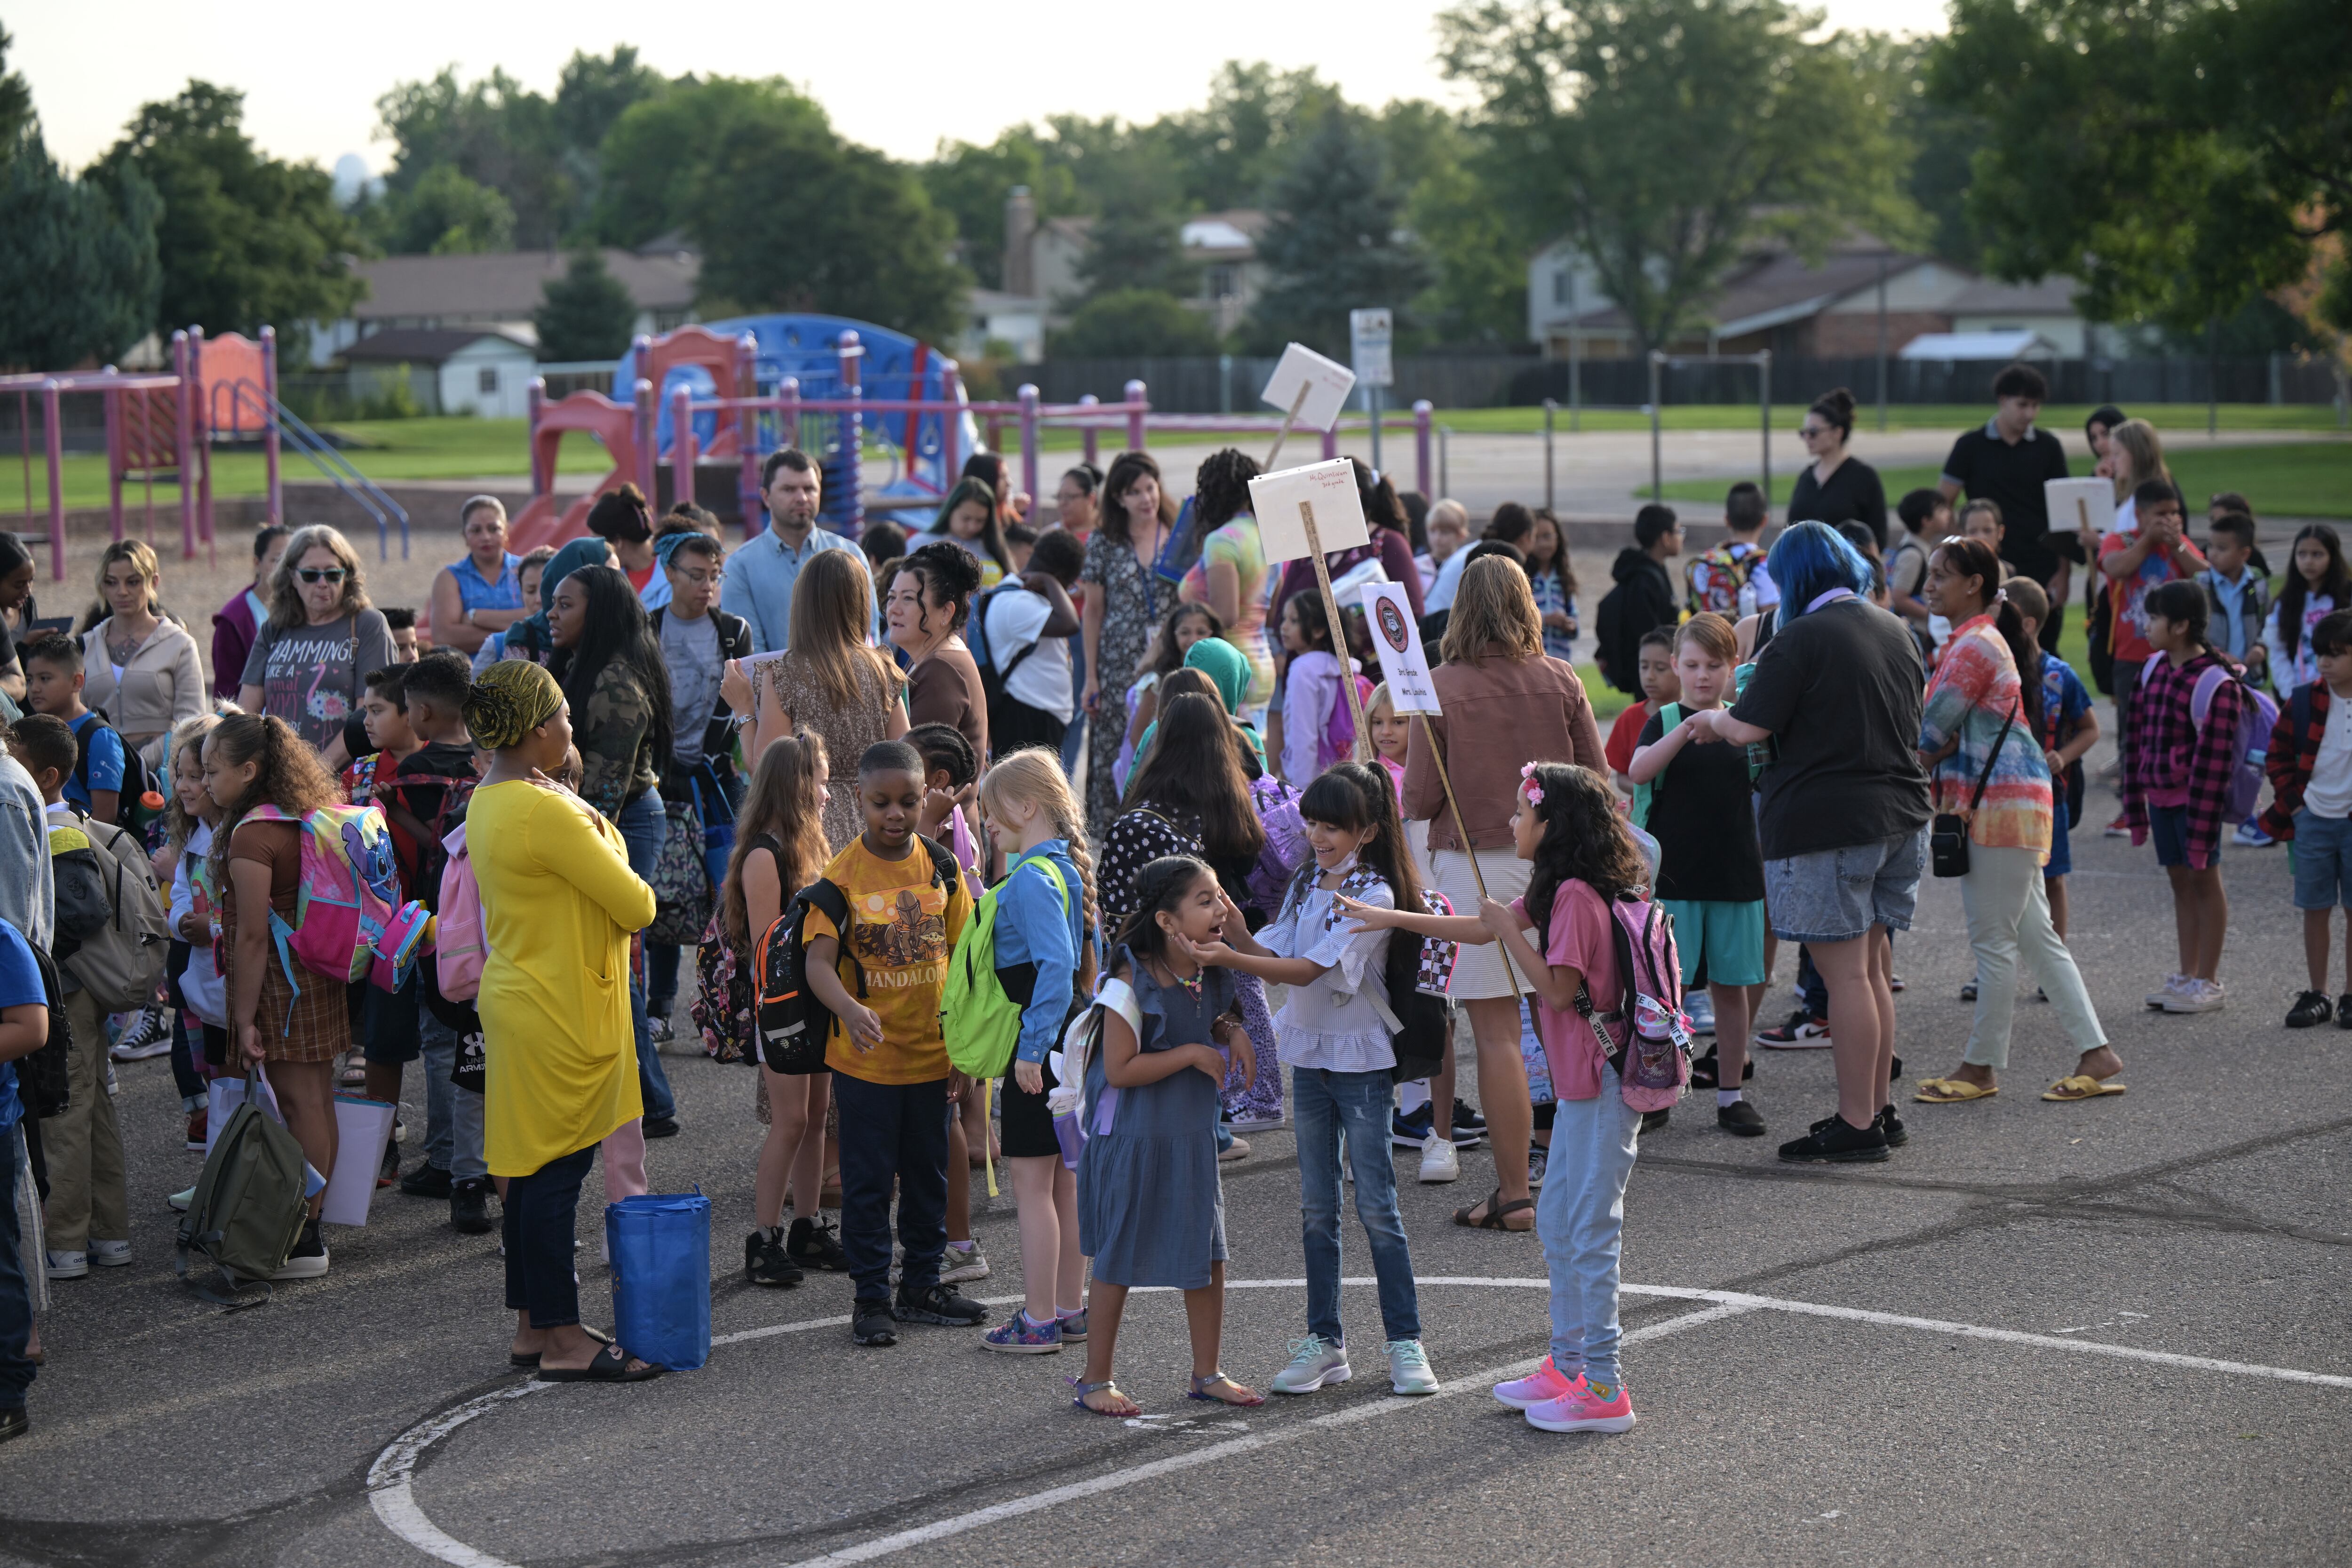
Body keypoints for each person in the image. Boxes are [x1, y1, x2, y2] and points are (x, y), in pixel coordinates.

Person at [1346, 763, 1652, 1433]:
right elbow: (1482, 929)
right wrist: (1387, 917)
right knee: (1558, 1222)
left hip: (1602, 1083)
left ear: (1552, 823)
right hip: (1580, 1086)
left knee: (1592, 1230)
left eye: (1522, 811)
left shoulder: (1573, 896)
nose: (1512, 822)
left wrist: (1510, 931)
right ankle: (1568, 1364)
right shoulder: (1557, 887)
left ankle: (1604, 1384)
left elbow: (1559, 991)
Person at [1685, 521, 1930, 1164]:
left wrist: (1709, 719)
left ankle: (1857, 1123)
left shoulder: (1801, 637)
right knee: (1872, 967)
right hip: (1900, 815)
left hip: (1831, 824)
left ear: (1794, 577)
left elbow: (1747, 725)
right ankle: (1876, 1109)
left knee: (1846, 974)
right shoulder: (1892, 627)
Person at [1193, 763, 1438, 1398]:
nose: (1319, 834)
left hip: (1360, 1064)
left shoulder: (1376, 895)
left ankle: (1406, 1342)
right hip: (1314, 1057)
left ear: (1369, 830)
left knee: (1377, 1205)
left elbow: (1305, 971)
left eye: (1335, 825)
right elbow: (1275, 953)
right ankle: (1326, 1342)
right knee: (1315, 1209)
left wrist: (1226, 954)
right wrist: (1232, 923)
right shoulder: (1305, 880)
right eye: (1313, 822)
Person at [458, 661, 664, 1381]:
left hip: (523, 996)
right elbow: (638, 904)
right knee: (554, 1174)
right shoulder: (543, 810)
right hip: (560, 1007)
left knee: (524, 1167)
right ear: (538, 729)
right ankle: (565, 1340)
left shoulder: (492, 798)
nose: (573, 729)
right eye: (565, 718)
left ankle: (531, 1326)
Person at [1402, 555, 1608, 1226]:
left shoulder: (1440, 685)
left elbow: (1421, 796)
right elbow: (1597, 780)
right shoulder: (1560, 678)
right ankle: (1584, 1169)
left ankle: (1514, 1190)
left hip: (1477, 870)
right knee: (1569, 1020)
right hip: (1562, 864)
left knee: (1498, 1036)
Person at [1907, 538, 2117, 1105]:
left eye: (1939, 576)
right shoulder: (1971, 641)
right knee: (2035, 939)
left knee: (1993, 942)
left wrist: (1922, 754)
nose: (1927, 586)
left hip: (2000, 808)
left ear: (1973, 584)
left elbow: (1928, 729)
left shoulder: (1974, 645)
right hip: (2009, 802)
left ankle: (1979, 1068)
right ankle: (2096, 1055)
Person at [800, 739, 984, 1347]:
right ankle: (872, 1296)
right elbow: (818, 964)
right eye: (881, 803)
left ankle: (923, 1285)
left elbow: (963, 961)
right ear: (860, 799)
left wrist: (963, 1048)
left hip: (932, 1062)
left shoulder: (941, 868)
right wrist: (850, 1010)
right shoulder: (841, 878)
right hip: (867, 1067)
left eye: (908, 801)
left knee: (928, 1179)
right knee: (870, 1183)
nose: (896, 814)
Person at [1070, 855, 1263, 1416]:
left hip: (1190, 1137)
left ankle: (1208, 1372)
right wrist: (1192, 1054)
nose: (1220, 908)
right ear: (1165, 921)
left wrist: (1231, 1030)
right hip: (1135, 1139)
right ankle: (1094, 1379)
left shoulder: (1206, 965)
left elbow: (1210, 1012)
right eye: (1205, 900)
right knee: (1117, 1258)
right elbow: (1121, 1068)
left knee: (1207, 1259)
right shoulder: (1130, 978)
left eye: (1220, 895)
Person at [202, 713, 347, 1277]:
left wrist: (242, 1020)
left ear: (249, 769)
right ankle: (316, 1213)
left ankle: (305, 1237)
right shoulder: (298, 813)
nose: (208, 781)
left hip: (281, 984)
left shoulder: (251, 835)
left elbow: (253, 934)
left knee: (298, 1102)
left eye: (215, 771)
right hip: (315, 971)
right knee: (317, 1098)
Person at [1100, 692, 1283, 1141]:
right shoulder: (1222, 794)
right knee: (1194, 1034)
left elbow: (1113, 894)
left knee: (1167, 1040)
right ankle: (1238, 1110)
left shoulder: (1144, 805)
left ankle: (1213, 1124)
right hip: (1206, 950)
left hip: (1160, 953)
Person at [971, 750, 1098, 1353]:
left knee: (1031, 1187)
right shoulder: (1064, 871)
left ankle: (1039, 1318)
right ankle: (1070, 1310)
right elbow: (1074, 967)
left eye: (992, 812)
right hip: (1066, 1038)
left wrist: (1030, 1048)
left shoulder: (1028, 878)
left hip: (1041, 1041)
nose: (986, 823)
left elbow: (1054, 966)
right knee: (1062, 1183)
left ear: (1026, 806)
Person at [546, 564, 676, 1137]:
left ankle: (653, 1102)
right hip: (606, 819)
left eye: (565, 604)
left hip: (622, 823)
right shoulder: (587, 666)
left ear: (596, 612)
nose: (552, 613)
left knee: (615, 964)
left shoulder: (617, 683)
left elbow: (603, 793)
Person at [1626, 613, 1767, 1133]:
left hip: (1733, 873)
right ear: (1674, 666)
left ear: (1732, 668)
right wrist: (1688, 728)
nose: (1703, 675)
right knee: (1667, 990)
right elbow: (1638, 771)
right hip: (1673, 878)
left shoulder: (1741, 722)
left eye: (1714, 665)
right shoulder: (1664, 720)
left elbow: (1765, 770)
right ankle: (1658, 1087)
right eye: (1692, 665)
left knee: (1731, 989)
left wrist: (1728, 726)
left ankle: (1730, 1093)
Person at [730, 733, 842, 1285]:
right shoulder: (763, 856)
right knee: (791, 1119)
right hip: (782, 1010)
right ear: (798, 784)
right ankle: (764, 1237)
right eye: (821, 781)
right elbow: (765, 950)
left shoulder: (808, 848)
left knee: (817, 1116)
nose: (827, 793)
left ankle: (807, 1226)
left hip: (815, 1001)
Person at [729, 547, 909, 849]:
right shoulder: (883, 671)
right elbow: (906, 759)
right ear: (860, 602)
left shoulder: (784, 674)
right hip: (877, 827)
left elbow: (763, 768)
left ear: (803, 603)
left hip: (809, 827)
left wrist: (743, 710)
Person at [644, 531, 752, 1033]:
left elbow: (738, 704)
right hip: (659, 777)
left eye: (715, 575)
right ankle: (659, 1007)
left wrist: (713, 757)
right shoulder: (646, 629)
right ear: (669, 573)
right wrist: (662, 763)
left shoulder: (732, 632)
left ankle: (727, 1005)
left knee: (728, 889)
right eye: (696, 574)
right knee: (665, 890)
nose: (707, 585)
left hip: (714, 778)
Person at [2120, 578, 2243, 1014]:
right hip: (2159, 794)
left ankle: (2208, 980)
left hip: (2196, 798)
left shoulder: (2216, 682)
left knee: (2205, 878)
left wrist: (2203, 820)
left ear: (2182, 626)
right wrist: (2133, 804)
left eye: (2154, 617)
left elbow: (2217, 762)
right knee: (2179, 879)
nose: (2147, 624)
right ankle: (2187, 974)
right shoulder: (2152, 669)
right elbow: (2132, 739)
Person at [2099, 480, 2210, 836]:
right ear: (2142, 515)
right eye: (2161, 514)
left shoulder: (2178, 544)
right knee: (2131, 734)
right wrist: (2149, 540)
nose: (2170, 519)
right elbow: (2114, 568)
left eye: (2175, 512)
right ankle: (2129, 807)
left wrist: (2175, 542)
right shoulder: (2123, 539)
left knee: (2177, 732)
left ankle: (2179, 800)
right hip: (2132, 657)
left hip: (2175, 658)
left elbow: (2203, 574)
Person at [1940, 364, 2074, 652]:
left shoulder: (2048, 447)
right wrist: (1963, 550)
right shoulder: (1970, 445)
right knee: (1988, 648)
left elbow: (2064, 513)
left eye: (2036, 406)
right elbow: (1944, 504)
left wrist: (2064, 572)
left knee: (2042, 648)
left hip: (2041, 564)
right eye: (2023, 404)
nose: (2030, 414)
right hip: (1988, 567)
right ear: (2002, 400)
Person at [236, 525, 394, 768]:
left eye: (333, 575)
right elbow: (246, 712)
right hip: (278, 776)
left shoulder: (366, 625)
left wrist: (317, 772)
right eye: (311, 575)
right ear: (292, 576)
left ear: (347, 576)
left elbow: (370, 714)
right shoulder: (274, 628)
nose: (322, 583)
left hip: (342, 778)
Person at [1081, 452, 1178, 840]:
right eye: (1134, 492)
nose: (1145, 498)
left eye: (1150, 488)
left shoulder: (1179, 533)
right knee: (1114, 746)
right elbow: (1093, 611)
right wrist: (1090, 676)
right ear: (1118, 498)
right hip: (1118, 659)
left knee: (1167, 736)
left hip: (1170, 656)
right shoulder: (1105, 541)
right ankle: (1114, 837)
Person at [2264, 609, 2352, 1027]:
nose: (2326, 663)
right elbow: (2276, 755)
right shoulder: (2304, 700)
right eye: (2321, 654)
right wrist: (2298, 807)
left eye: (2338, 654)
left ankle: (2351, 995)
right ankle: (2319, 993)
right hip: (2313, 819)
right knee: (2315, 907)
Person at [2006, 579, 2100, 945]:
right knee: (2002, 880)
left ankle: (2054, 961)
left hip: (2048, 796)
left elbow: (2090, 728)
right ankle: (1997, 964)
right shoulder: (1992, 668)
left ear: (2027, 624)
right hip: (2002, 795)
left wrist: (2064, 755)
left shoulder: (2059, 675)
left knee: (2053, 877)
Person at [722, 448, 866, 654]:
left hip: (847, 684)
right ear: (766, 496)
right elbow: (751, 660)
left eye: (809, 489)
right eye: (789, 489)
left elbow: (867, 642)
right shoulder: (740, 567)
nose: (802, 498)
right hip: (771, 686)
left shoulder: (852, 557)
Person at [76, 541, 202, 765]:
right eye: (111, 582)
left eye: (132, 582)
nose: (121, 591)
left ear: (153, 581)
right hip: (99, 767)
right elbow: (76, 717)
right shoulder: (86, 645)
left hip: (163, 770)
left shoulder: (180, 644)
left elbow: (191, 723)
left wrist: (140, 762)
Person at [1177, 450, 1275, 716]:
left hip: (1229, 671)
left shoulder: (1223, 540)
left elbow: (1225, 615)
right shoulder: (1267, 535)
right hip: (1262, 661)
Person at [981, 528, 1085, 758]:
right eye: (1068, 586)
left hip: (1037, 715)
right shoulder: (1017, 602)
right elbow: (1070, 623)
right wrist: (1050, 582)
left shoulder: (1023, 598)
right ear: (1061, 577)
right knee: (1026, 793)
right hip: (1025, 716)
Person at [890, 541, 990, 768]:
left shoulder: (942, 670)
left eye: (908, 599)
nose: (893, 608)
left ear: (946, 611)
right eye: (892, 597)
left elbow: (913, 768)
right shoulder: (938, 657)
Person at [1117, 601, 1223, 796]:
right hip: (1163, 775)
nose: (1193, 639)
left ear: (1214, 635)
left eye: (1202, 632)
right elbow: (1138, 735)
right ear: (1173, 636)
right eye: (1185, 632)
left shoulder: (1221, 677)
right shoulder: (1158, 681)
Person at [20, 637, 127, 825]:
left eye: (45, 679)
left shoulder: (99, 737)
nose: (34, 688)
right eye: (29, 680)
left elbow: (104, 822)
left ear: (77, 682)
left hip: (77, 847)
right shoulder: (28, 730)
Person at [1275, 591, 1360, 786]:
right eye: (1284, 619)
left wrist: (1301, 794)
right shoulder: (1341, 665)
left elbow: (1303, 738)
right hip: (1339, 771)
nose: (1284, 627)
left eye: (1294, 621)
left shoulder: (1303, 670)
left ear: (1319, 630)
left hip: (1313, 779)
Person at [1594, 505, 1681, 694]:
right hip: (1652, 674)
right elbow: (1647, 631)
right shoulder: (1646, 580)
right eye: (1678, 531)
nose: (1681, 537)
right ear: (1666, 538)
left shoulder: (1652, 571)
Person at [1786, 388, 1889, 549]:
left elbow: (1878, 539)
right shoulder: (1806, 477)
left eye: (1813, 432)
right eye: (1804, 433)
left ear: (1837, 432)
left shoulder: (1863, 477)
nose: (1807, 438)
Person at [428, 497, 528, 657]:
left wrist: (475, 616)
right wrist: (518, 632)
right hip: (474, 678)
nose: (486, 537)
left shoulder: (527, 569)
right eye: (476, 530)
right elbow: (445, 637)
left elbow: (541, 618)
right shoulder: (449, 578)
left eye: (494, 529)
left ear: (507, 532)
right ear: (465, 536)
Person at [207, 525, 291, 705]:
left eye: (292, 561)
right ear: (257, 563)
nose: (285, 568)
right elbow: (226, 697)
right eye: (277, 560)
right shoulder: (233, 620)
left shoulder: (310, 610)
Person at [2265, 524, 2348, 699]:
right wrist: (2291, 693)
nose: (2308, 561)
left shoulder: (2347, 598)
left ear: (2332, 557)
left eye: (2317, 554)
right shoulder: (2286, 602)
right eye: (2302, 554)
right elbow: (2277, 651)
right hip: (2300, 693)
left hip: (2343, 693)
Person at [1603, 629, 1680, 794]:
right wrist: (1651, 791)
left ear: (1680, 666)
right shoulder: (1629, 717)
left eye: (1660, 668)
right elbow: (1622, 777)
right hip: (1644, 817)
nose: (1649, 676)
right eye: (1644, 666)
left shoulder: (1697, 715)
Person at [2201, 511, 2271, 689]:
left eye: (2222, 549)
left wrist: (2261, 646)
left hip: (2249, 677)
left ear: (2245, 554)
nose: (2213, 554)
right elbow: (2194, 633)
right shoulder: (2202, 584)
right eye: (2211, 546)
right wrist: (2220, 656)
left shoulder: (2258, 581)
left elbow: (2268, 622)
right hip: (2211, 675)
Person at [920, 477, 1012, 589]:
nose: (972, 527)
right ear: (950, 510)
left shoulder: (992, 544)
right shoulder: (921, 544)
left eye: (980, 521)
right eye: (966, 519)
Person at [583, 484, 663, 608]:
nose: (594, 548)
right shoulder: (607, 576)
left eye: (597, 541)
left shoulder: (676, 570)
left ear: (617, 542)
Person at [1887, 490, 1947, 643]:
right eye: (1941, 510)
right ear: (1926, 521)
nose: (1948, 513)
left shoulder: (1923, 548)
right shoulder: (1912, 555)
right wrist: (1934, 616)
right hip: (1916, 631)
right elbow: (1899, 598)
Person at [1525, 509, 1580, 661]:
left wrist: (1570, 625)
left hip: (1561, 662)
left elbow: (1575, 618)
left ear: (1558, 539)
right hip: (1533, 663)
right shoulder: (1524, 579)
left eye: (1548, 536)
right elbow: (1518, 620)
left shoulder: (1563, 578)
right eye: (1537, 537)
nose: (1543, 544)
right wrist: (1545, 620)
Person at [1420, 499, 1475, 615]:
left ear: (1461, 535)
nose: (1437, 538)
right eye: (1433, 531)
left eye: (1445, 532)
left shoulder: (1462, 565)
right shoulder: (1417, 565)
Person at [1053, 464, 1102, 538]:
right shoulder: (1051, 536)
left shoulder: (1108, 536)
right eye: (1060, 497)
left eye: (1069, 497)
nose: (1062, 503)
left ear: (1091, 498)